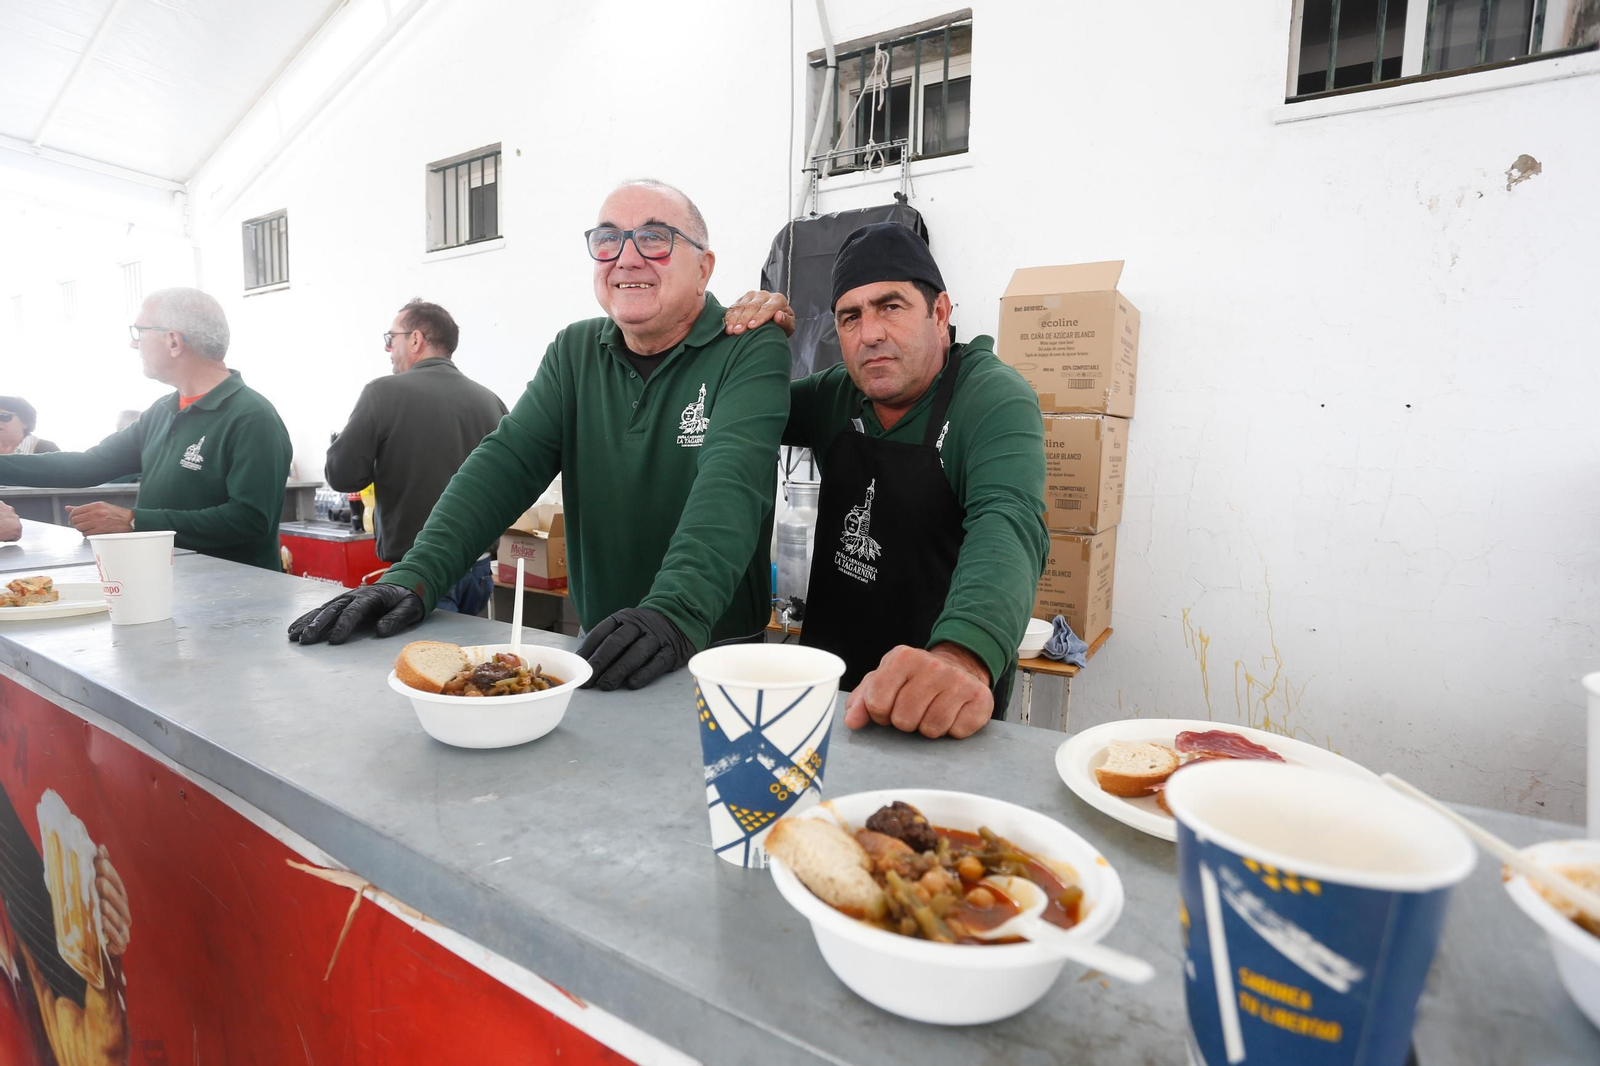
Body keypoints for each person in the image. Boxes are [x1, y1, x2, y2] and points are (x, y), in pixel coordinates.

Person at [290, 180, 791, 691]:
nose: (627, 258)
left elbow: (732, 480)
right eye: (608, 240)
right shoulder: (575, 352)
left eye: (655, 238)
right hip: (606, 649)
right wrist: (416, 574)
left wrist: (674, 611)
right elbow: (504, 464)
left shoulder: (748, 346)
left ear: (704, 266)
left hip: (716, 655)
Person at [724, 223, 1048, 739]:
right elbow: (746, 410)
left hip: (933, 699)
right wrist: (749, 340)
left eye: (890, 307)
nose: (869, 333)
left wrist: (963, 655)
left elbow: (1008, 523)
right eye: (850, 317)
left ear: (940, 313)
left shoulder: (991, 398)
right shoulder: (837, 395)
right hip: (829, 692)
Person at [0, 288, 293, 571]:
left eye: (140, 332)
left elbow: (250, 519)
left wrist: (134, 521)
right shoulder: (163, 411)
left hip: (238, 598)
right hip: (169, 583)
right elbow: (87, 465)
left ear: (174, 342)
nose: (134, 343)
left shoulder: (251, 416)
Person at [323, 299, 508, 614]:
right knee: (468, 660)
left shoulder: (383, 393)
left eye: (390, 338)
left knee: (424, 662)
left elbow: (342, 474)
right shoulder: (491, 401)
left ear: (416, 339)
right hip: (478, 570)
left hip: (420, 574)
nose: (387, 349)